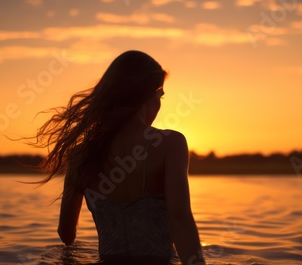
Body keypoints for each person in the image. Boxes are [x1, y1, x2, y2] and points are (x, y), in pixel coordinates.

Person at [30, 50, 205, 264]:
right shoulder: (170, 144)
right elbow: (180, 220)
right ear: (149, 94)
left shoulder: (81, 155)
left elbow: (66, 233)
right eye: (160, 96)